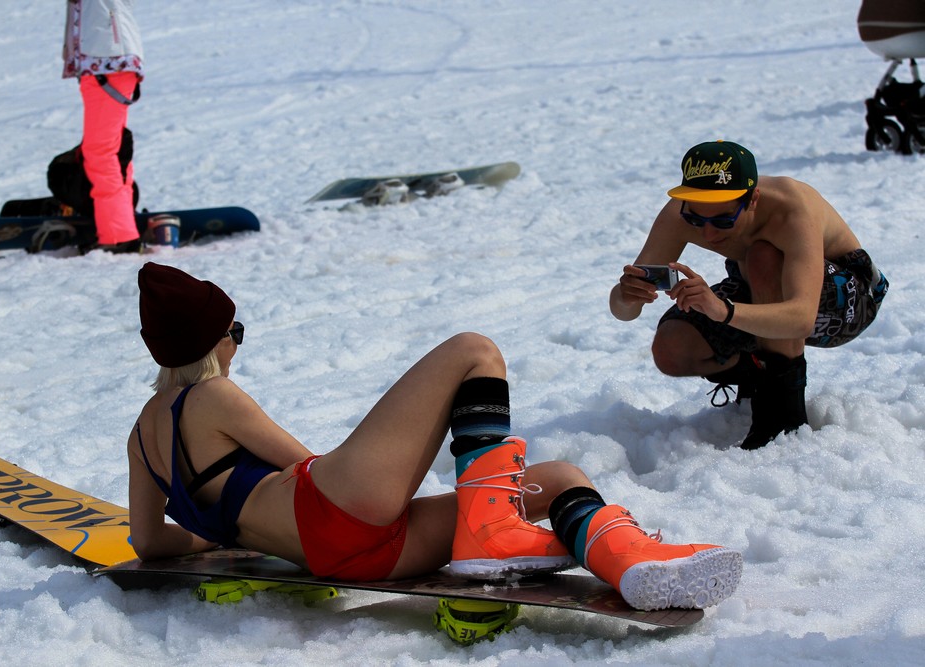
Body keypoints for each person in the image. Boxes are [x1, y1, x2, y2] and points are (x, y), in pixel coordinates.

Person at [127, 262, 743, 612]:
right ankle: (494, 531)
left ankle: (630, 562)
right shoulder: (212, 397)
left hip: (346, 555)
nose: (237, 341)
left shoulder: (141, 437)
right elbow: (305, 464)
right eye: (234, 328)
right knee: (473, 352)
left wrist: (220, 535)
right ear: (211, 342)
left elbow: (149, 542)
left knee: (557, 480)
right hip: (335, 510)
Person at [609, 141, 888, 449]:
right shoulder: (678, 214)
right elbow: (625, 311)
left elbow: (800, 319)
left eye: (724, 220)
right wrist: (626, 295)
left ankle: (782, 416)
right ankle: (760, 373)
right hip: (760, 286)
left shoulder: (791, 209)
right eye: (696, 220)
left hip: (851, 299)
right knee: (672, 348)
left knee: (763, 257)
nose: (709, 234)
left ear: (753, 198)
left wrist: (724, 311)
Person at [62, 0, 144, 253]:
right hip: (101, 62)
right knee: (106, 149)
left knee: (101, 152)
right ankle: (119, 227)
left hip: (109, 61)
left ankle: (118, 235)